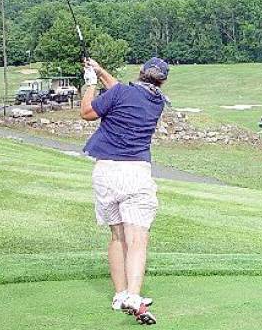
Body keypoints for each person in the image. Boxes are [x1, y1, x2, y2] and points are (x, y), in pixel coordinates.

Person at [80, 57, 169, 326]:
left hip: (106, 172)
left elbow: (87, 112)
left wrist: (90, 83)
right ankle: (133, 295)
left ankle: (120, 295)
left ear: (140, 73)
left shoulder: (119, 93)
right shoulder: (157, 102)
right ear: (162, 81)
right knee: (138, 238)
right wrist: (99, 70)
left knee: (117, 235)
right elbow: (121, 92)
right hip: (136, 173)